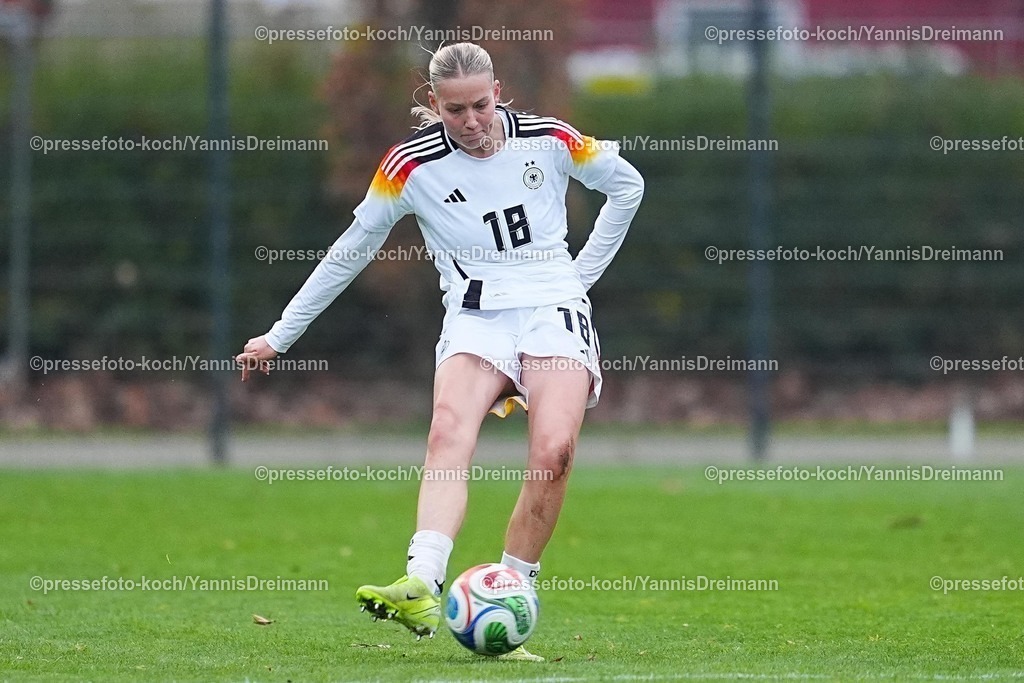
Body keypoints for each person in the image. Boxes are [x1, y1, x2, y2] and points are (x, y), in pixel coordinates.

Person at [235, 42, 643, 661]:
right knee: (447, 430)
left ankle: (514, 594)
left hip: (554, 313)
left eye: (481, 105)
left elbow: (629, 188)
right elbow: (351, 249)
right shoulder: (407, 166)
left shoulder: (553, 139)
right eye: (456, 111)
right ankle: (421, 580)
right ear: (434, 105)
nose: (473, 122)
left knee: (554, 453)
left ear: (499, 92)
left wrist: (579, 279)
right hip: (476, 319)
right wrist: (279, 334)